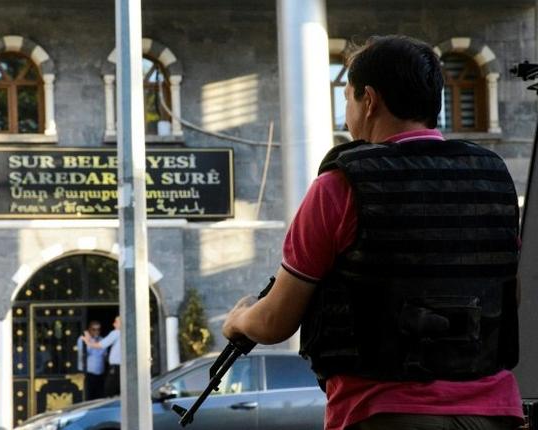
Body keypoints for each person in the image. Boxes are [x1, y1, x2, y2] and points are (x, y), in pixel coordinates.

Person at [223, 35, 522, 430]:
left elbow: (276, 321)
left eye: (345, 98)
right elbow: (510, 294)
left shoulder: (340, 186)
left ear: (369, 100)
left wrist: (238, 321)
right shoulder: (493, 177)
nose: (346, 113)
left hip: (383, 412)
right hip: (495, 413)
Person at [83, 315, 121, 397]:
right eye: (94, 329)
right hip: (90, 372)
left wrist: (88, 342)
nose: (114, 324)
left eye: (116, 322)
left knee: (109, 391)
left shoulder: (116, 332)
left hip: (114, 368)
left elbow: (102, 346)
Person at [76, 320, 107, 400]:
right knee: (88, 396)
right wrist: (90, 342)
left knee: (99, 396)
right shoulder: (82, 339)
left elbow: (104, 354)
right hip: (88, 373)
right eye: (94, 329)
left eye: (98, 329)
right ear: (89, 329)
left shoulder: (102, 339)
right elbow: (86, 353)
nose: (96, 331)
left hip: (100, 373)